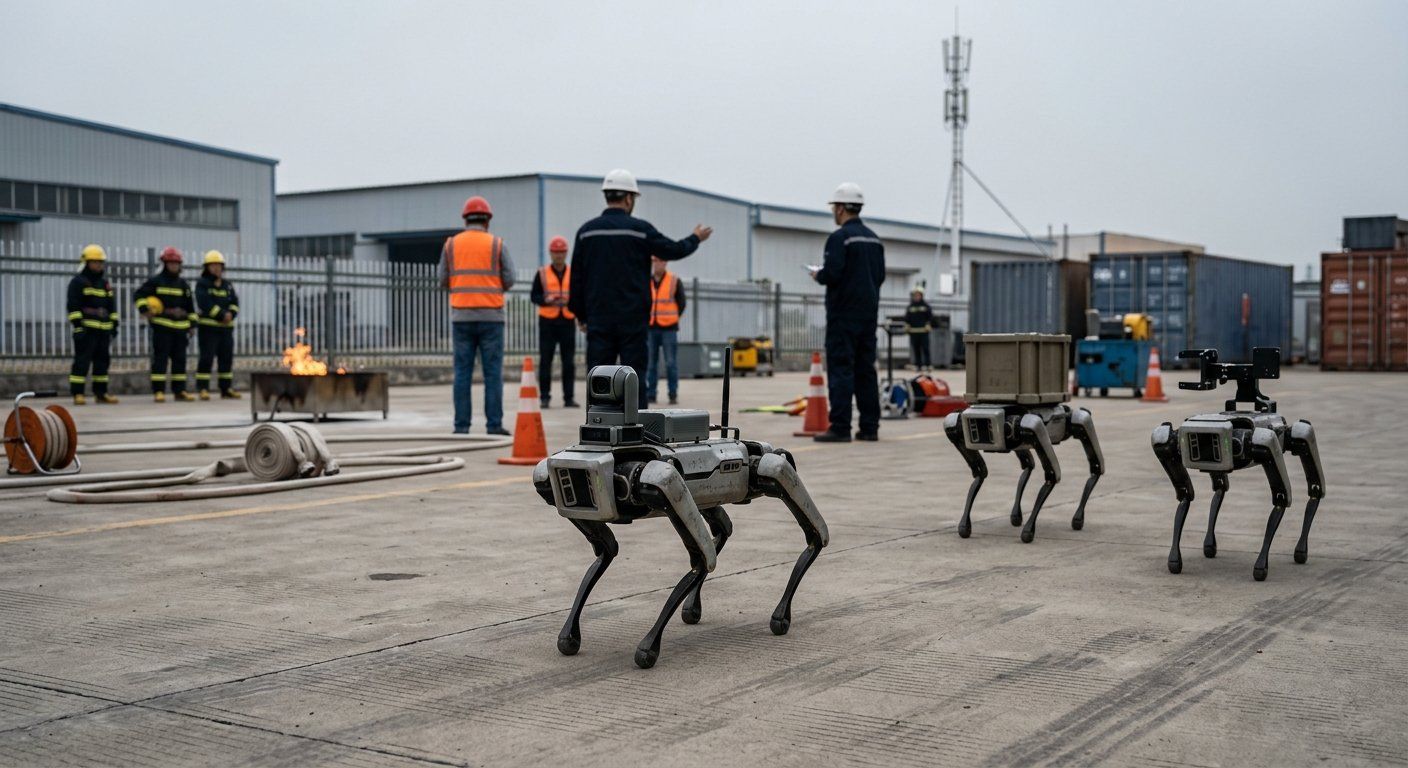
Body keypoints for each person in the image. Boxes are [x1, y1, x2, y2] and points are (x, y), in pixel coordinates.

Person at [569, 169, 711, 409]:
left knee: (599, 382)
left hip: (599, 321)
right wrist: (695, 238)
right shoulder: (640, 230)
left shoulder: (587, 232)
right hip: (632, 322)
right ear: (628, 198)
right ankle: (638, 435)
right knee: (634, 380)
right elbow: (673, 250)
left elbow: (576, 279)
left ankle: (598, 432)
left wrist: (581, 315)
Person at [810, 182, 885, 442]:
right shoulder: (874, 239)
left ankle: (840, 426)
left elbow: (832, 273)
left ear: (840, 208)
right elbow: (880, 276)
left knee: (842, 369)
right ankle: (869, 427)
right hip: (868, 315)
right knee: (866, 370)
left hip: (843, 315)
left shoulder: (839, 238)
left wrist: (818, 274)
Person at [440, 195, 514, 435]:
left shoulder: (451, 244)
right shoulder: (497, 244)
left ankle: (461, 427)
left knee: (462, 374)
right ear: (487, 221)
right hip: (491, 318)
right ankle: (493, 426)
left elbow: (442, 280)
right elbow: (510, 278)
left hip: (461, 317)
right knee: (492, 375)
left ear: (465, 219)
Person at [135, 247, 196, 402]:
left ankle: (179, 391)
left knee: (180, 361)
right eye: (171, 263)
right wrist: (144, 308)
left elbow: (190, 307)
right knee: (160, 360)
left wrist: (192, 324)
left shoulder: (183, 285)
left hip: (180, 329)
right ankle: (159, 391)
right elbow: (139, 294)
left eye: (176, 263)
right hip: (162, 327)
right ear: (164, 263)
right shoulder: (156, 281)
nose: (174, 266)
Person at [65, 244, 119, 404]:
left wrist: (114, 324)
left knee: (102, 364)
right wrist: (78, 325)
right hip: (86, 331)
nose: (98, 265)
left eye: (101, 262)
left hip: (103, 331)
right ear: (86, 262)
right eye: (95, 262)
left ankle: (101, 393)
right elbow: (73, 306)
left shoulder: (104, 284)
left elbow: (112, 307)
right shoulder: (78, 282)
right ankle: (78, 394)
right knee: (82, 362)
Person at [530, 235, 579, 409]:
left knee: (569, 362)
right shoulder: (542, 273)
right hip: (548, 321)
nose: (559, 255)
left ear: (566, 253)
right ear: (550, 253)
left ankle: (569, 397)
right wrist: (546, 299)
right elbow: (534, 296)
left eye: (562, 252)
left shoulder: (573, 273)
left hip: (567, 320)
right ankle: (544, 397)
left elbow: (579, 295)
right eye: (556, 252)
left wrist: (571, 303)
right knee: (546, 361)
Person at [194, 250, 241, 399]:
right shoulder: (203, 284)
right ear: (206, 267)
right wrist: (221, 314)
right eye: (212, 265)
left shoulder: (227, 285)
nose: (216, 268)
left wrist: (231, 314)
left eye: (218, 265)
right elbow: (204, 302)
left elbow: (234, 303)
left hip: (226, 329)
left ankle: (226, 389)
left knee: (226, 359)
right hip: (208, 328)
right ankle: (203, 388)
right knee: (206, 358)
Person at [646, 255, 687, 404]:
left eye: (661, 261)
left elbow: (681, 303)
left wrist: (673, 318)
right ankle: (650, 394)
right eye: (655, 261)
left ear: (666, 262)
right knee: (651, 363)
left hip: (669, 328)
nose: (658, 264)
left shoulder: (674, 280)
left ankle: (673, 393)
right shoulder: (646, 280)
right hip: (651, 327)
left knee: (671, 363)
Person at [904, 288, 934, 372]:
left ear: (921, 296)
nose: (916, 297)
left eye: (918, 295)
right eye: (915, 295)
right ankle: (918, 365)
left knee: (925, 348)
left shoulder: (926, 306)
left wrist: (928, 324)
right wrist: (907, 326)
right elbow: (907, 318)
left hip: (924, 331)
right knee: (916, 349)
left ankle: (928, 365)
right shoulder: (910, 307)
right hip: (914, 331)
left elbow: (930, 317)